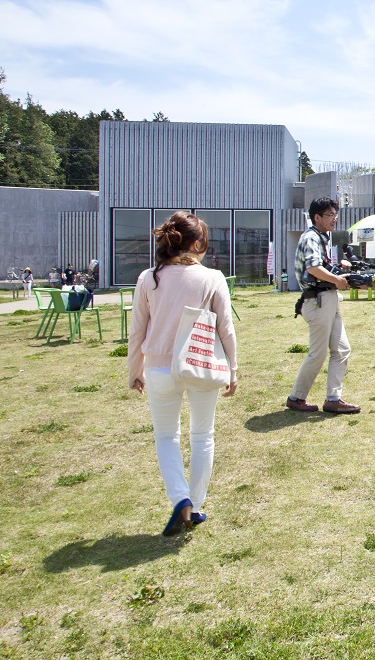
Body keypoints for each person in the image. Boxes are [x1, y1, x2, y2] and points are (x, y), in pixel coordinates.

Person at [128, 212, 238, 535]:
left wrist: (135, 370)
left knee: (166, 436)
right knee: (203, 435)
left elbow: (137, 332)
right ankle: (197, 503)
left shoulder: (148, 278)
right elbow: (226, 329)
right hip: (200, 364)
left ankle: (181, 500)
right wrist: (233, 367)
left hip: (158, 366)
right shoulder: (212, 277)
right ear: (194, 244)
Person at [286, 197, 360, 415]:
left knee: (342, 349)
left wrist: (338, 269)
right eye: (330, 215)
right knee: (318, 353)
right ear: (316, 217)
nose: (334, 219)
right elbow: (314, 268)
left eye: (335, 214)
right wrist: (338, 280)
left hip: (327, 298)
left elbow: (322, 267)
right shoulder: (311, 237)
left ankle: (333, 399)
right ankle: (296, 397)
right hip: (318, 300)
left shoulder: (322, 237)